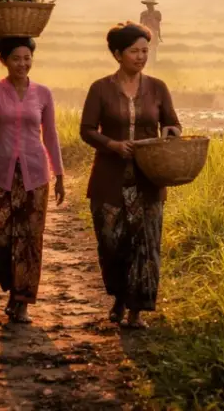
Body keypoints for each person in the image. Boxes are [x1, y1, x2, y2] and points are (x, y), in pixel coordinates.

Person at [80, 23, 181, 328]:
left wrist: (170, 134)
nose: (141, 57)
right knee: (112, 243)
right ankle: (120, 298)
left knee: (145, 245)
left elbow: (173, 124)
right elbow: (86, 130)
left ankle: (136, 311)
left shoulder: (158, 87)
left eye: (144, 51)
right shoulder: (100, 88)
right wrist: (111, 144)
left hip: (148, 181)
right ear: (117, 54)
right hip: (109, 181)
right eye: (134, 51)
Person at [0, 18, 65, 325]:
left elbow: (50, 135)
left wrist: (59, 173)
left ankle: (21, 301)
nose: (23, 64)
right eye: (16, 59)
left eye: (27, 58)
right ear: (4, 61)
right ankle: (12, 287)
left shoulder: (43, 93)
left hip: (35, 174)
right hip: (0, 172)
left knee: (30, 238)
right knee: (2, 236)